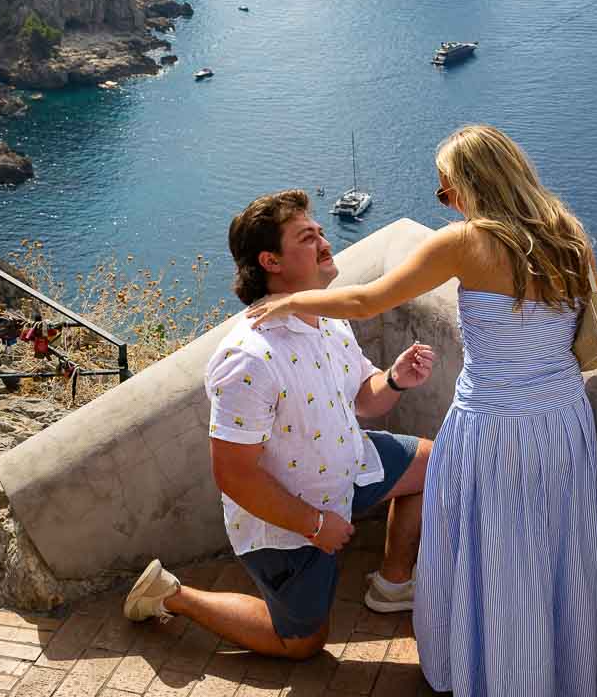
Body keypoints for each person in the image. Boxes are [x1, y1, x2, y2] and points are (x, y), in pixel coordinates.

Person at [246, 126, 597, 697]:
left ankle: (492, 689)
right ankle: (556, 689)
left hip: (495, 424)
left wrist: (287, 303)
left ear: (470, 185)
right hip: (563, 420)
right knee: (552, 553)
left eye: (446, 187)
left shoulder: (468, 243)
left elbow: (366, 301)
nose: (444, 198)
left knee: (494, 554)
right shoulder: (567, 234)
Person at [124, 189, 435, 659]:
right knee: (301, 644)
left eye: (321, 231)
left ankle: (392, 585)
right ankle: (173, 595)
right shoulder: (247, 358)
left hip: (351, 470)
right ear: (271, 261)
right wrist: (315, 526)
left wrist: (394, 379)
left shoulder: (328, 318)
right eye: (308, 237)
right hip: (292, 521)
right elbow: (234, 474)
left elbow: (364, 401)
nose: (325, 242)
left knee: (436, 462)